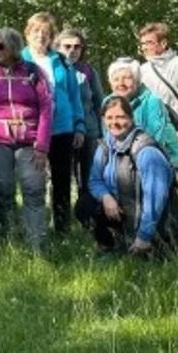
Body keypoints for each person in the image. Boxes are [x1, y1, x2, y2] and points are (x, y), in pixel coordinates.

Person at [0, 28, 52, 251]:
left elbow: (47, 107)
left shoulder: (32, 72)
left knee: (33, 191)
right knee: (4, 192)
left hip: (30, 142)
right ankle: (11, 241)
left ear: (13, 47)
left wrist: (43, 145)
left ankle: (37, 245)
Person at [105, 58, 178, 221]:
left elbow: (160, 140)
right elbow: (107, 142)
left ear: (137, 80)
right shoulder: (107, 102)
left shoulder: (152, 102)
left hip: (151, 162)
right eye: (115, 79)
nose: (120, 83)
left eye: (126, 78)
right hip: (121, 166)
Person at [88, 97, 177, 257]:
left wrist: (144, 235)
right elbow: (94, 180)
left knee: (153, 259)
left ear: (131, 118)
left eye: (120, 117)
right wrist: (106, 197)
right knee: (85, 206)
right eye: (109, 118)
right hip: (122, 209)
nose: (114, 122)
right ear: (103, 119)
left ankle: (149, 244)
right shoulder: (106, 145)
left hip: (153, 222)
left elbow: (155, 198)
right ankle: (113, 246)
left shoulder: (147, 152)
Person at [21, 12, 85, 234]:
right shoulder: (20, 61)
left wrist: (79, 126)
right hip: (32, 129)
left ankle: (62, 227)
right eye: (36, 31)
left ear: (51, 37)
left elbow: (74, 96)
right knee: (33, 180)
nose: (41, 36)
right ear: (27, 34)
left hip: (62, 127)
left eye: (46, 33)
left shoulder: (62, 62)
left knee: (62, 179)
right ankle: (34, 228)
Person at [55, 28, 105, 219]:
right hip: (61, 131)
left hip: (89, 132)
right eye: (67, 46)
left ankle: (88, 219)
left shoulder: (88, 71)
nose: (72, 50)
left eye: (77, 47)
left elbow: (100, 102)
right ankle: (62, 219)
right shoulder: (52, 69)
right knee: (61, 178)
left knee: (88, 178)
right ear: (58, 47)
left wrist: (103, 134)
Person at [138, 22, 178, 127]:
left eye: (149, 43)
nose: (144, 48)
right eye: (143, 44)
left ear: (163, 43)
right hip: (157, 129)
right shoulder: (143, 70)